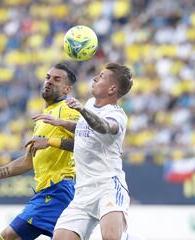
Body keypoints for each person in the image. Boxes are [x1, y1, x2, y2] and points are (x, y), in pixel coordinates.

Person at [0, 63, 80, 240]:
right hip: (49, 191)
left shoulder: (66, 109)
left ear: (67, 88)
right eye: (47, 77)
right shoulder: (44, 118)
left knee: (9, 236)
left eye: (56, 79)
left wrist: (50, 142)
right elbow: (27, 162)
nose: (49, 81)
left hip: (58, 189)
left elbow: (85, 142)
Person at [34, 63, 133, 240]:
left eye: (101, 76)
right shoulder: (90, 105)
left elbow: (102, 126)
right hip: (83, 192)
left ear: (112, 89)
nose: (95, 78)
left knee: (111, 238)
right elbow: (84, 131)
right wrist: (61, 123)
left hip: (108, 186)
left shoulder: (117, 115)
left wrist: (81, 110)